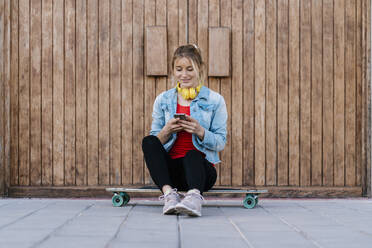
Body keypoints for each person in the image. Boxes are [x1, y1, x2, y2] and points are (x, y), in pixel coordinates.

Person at [141, 44, 227, 217]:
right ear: (173, 70)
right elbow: (154, 145)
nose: (184, 75)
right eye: (179, 69)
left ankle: (194, 199)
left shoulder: (215, 100)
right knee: (148, 141)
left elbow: (220, 142)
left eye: (190, 69)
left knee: (192, 154)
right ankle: (169, 196)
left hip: (200, 172)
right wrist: (166, 131)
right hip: (171, 173)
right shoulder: (163, 100)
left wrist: (200, 131)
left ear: (200, 69)